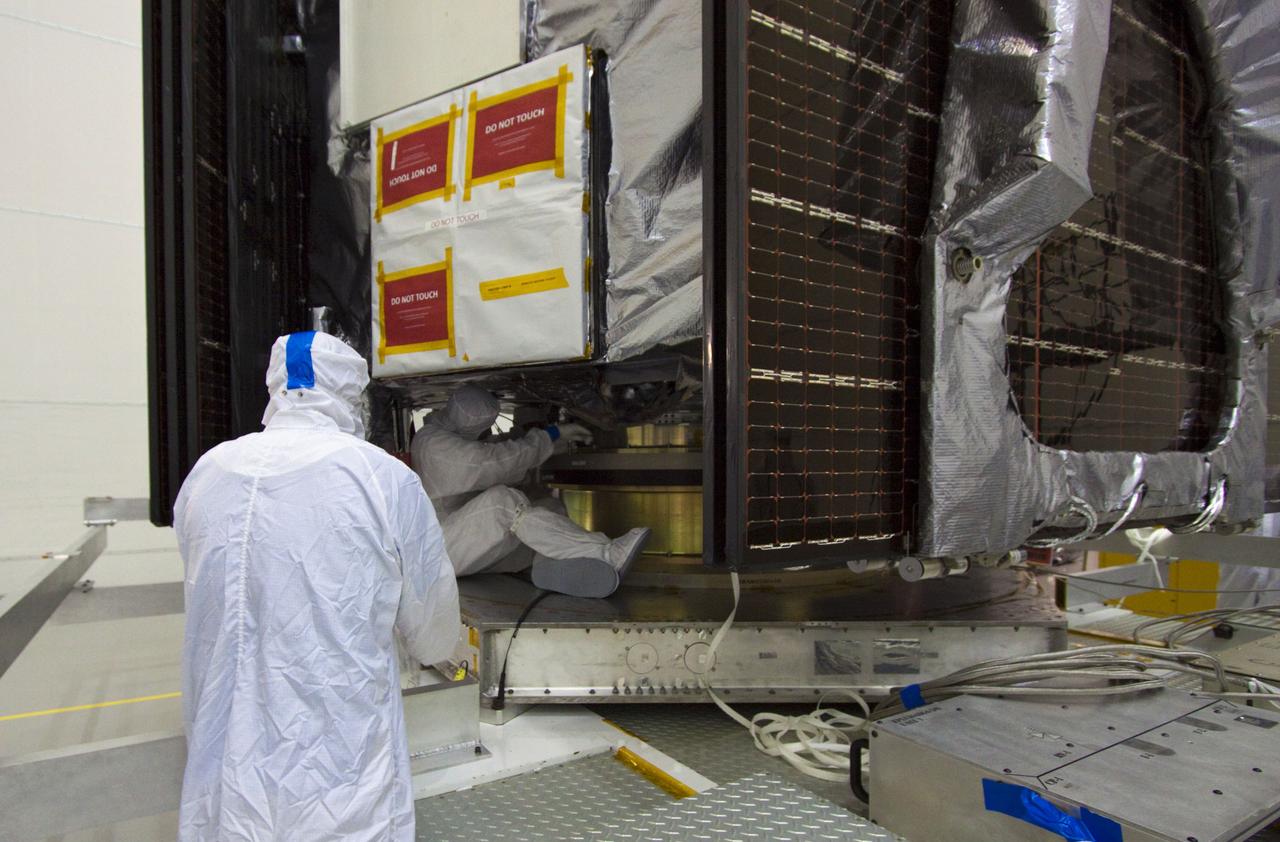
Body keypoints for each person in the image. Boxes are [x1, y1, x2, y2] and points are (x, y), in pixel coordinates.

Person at [174, 331, 459, 842]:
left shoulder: (208, 472)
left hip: (223, 742)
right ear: (352, 395)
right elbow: (431, 623)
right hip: (337, 754)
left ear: (275, 388)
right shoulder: (380, 478)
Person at [411, 384, 650, 598]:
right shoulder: (433, 445)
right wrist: (550, 436)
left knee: (548, 507)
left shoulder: (443, 436)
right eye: (483, 427)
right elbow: (492, 462)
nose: (487, 433)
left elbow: (489, 449)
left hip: (461, 545)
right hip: (441, 553)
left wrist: (547, 442)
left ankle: (552, 564)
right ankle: (607, 553)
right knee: (502, 504)